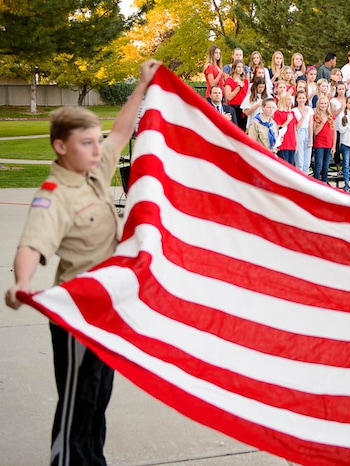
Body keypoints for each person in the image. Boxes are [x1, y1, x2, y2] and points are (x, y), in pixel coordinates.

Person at [4, 59, 161, 466]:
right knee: (78, 399)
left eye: (97, 140)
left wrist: (142, 84)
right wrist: (21, 284)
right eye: (87, 142)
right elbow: (32, 246)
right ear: (61, 146)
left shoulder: (95, 168)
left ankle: (93, 460)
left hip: (106, 306)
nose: (98, 148)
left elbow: (123, 130)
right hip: (76, 314)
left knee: (99, 396)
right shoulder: (54, 194)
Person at [312, 95, 336, 182]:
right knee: (319, 164)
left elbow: (334, 132)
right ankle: (317, 182)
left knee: (326, 165)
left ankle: (325, 182)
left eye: (325, 103)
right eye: (322, 103)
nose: (323, 105)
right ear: (319, 104)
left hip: (328, 143)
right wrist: (322, 122)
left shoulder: (331, 116)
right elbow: (315, 132)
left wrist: (334, 146)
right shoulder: (316, 116)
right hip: (319, 144)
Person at [223, 59, 249, 131]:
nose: (240, 69)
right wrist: (238, 87)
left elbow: (246, 95)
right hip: (233, 107)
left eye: (242, 67)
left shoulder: (245, 81)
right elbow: (229, 97)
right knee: (234, 130)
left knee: (242, 130)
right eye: (238, 67)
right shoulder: (229, 81)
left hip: (243, 108)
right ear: (234, 68)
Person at [273, 92, 297, 165]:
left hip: (291, 141)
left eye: (291, 99)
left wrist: (296, 143)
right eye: (288, 100)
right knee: (285, 163)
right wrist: (288, 120)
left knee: (291, 163)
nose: (290, 101)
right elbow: (278, 128)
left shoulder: (291, 112)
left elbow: (294, 128)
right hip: (283, 142)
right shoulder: (278, 112)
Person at [293, 91, 314, 173]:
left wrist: (310, 139)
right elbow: (296, 127)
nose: (301, 100)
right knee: (299, 161)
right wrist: (303, 116)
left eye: (303, 98)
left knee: (306, 162)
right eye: (299, 98)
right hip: (299, 133)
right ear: (296, 99)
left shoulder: (310, 109)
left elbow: (311, 125)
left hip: (307, 133)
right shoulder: (294, 111)